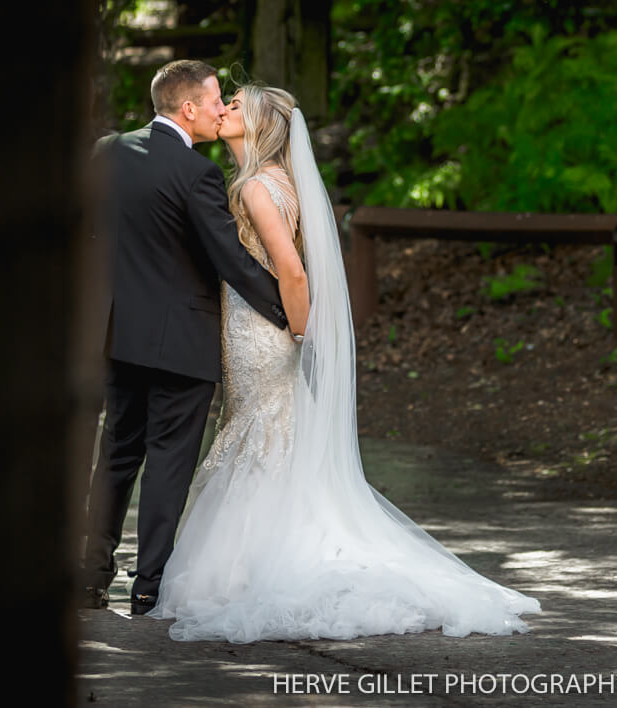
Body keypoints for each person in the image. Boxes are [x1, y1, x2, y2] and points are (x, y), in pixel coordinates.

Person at [149, 83, 541, 641]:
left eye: (235, 105)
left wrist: (302, 331)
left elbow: (295, 272)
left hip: (261, 333)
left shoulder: (260, 188)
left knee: (263, 442)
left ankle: (250, 569)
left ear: (259, 124)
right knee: (272, 440)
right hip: (253, 330)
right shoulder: (276, 184)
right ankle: (257, 556)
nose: (223, 109)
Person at [81, 61, 290, 615]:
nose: (223, 108)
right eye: (217, 99)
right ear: (188, 108)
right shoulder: (195, 173)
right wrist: (289, 311)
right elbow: (231, 260)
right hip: (182, 343)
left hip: (115, 334)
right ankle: (147, 586)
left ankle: (91, 575)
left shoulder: (108, 151)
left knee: (117, 456)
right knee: (169, 461)